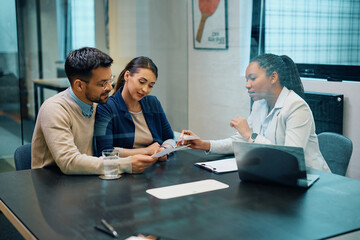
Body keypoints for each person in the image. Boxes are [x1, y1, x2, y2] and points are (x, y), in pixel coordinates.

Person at [181, 53, 330, 172]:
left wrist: (249, 135)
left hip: (312, 178)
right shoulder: (259, 104)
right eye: (247, 79)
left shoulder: (296, 107)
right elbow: (239, 141)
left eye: (252, 78)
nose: (247, 85)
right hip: (277, 174)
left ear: (273, 77)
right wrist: (205, 144)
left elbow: (290, 158)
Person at [32, 47, 157, 174]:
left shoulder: (98, 105)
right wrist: (126, 164)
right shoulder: (54, 109)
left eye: (110, 80)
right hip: (51, 184)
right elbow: (69, 162)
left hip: (85, 180)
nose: (109, 87)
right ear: (79, 85)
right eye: (102, 83)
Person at [94, 56, 174, 161]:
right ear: (127, 76)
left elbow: (170, 138)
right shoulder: (107, 107)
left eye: (150, 86)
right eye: (141, 82)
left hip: (156, 169)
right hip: (125, 171)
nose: (145, 89)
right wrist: (146, 151)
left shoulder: (153, 102)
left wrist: (163, 150)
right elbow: (105, 152)